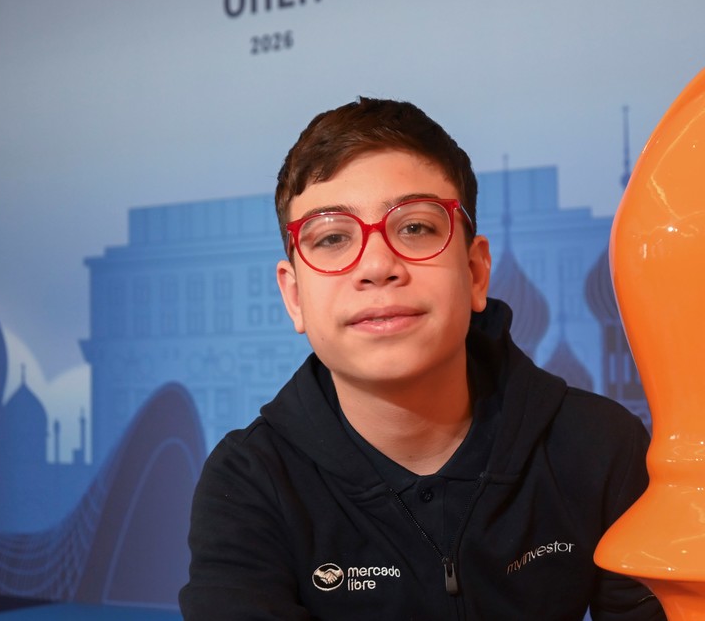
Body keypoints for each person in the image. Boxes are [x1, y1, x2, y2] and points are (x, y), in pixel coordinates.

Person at [179, 97, 664, 620]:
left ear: (475, 273)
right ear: (294, 297)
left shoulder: (599, 447)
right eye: (333, 237)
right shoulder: (251, 482)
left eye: (414, 228)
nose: (377, 266)